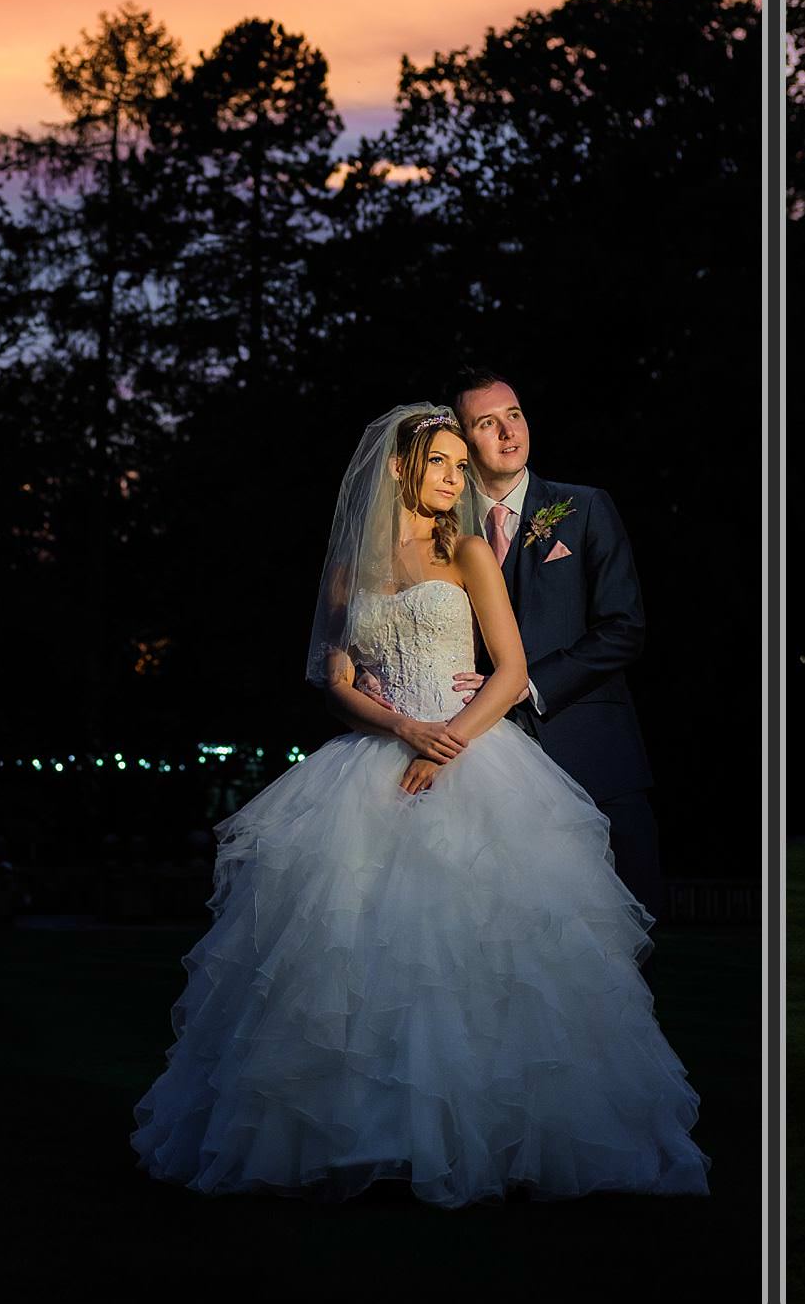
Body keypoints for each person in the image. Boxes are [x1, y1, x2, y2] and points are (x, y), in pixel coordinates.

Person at [131, 404, 709, 1206]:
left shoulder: (469, 552)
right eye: (440, 462)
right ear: (401, 468)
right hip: (374, 758)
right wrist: (401, 724)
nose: (454, 477)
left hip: (471, 758)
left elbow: (508, 671)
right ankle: (368, 1137)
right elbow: (330, 684)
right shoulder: (350, 572)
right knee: (352, 958)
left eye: (458, 466)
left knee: (484, 953)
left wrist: (450, 741)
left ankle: (496, 1137)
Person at [364, 370, 666, 923]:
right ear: (461, 439)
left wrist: (525, 683)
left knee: (620, 934)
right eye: (487, 422)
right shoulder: (440, 526)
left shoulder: (585, 507)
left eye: (515, 415)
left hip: (588, 752)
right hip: (472, 766)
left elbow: (624, 628)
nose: (509, 432)